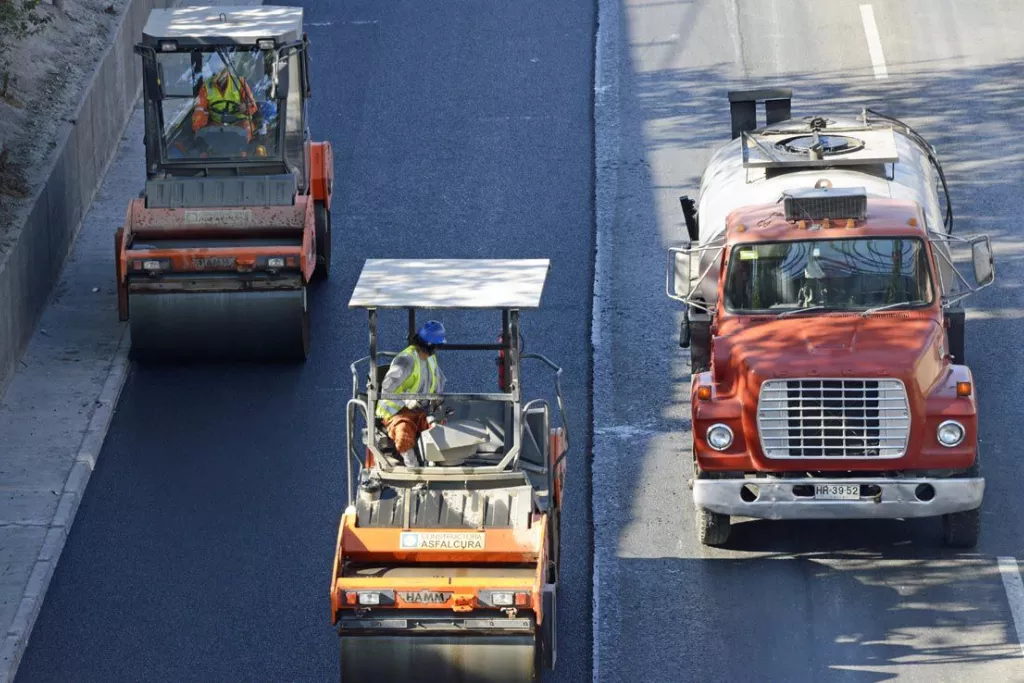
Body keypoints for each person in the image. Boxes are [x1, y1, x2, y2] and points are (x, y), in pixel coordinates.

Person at [376, 321, 447, 468]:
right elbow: (387, 386)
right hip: (397, 412)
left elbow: (438, 381)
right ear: (431, 345)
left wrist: (438, 404)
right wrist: (407, 400)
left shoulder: (430, 359)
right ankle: (414, 472)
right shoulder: (406, 360)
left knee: (438, 429)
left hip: (420, 410)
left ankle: (434, 470)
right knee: (403, 435)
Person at [191, 67, 260, 142]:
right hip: (217, 123)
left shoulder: (239, 82)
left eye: (219, 71)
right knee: (207, 137)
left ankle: (243, 151)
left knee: (247, 130)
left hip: (239, 122)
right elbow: (200, 109)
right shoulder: (206, 87)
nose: (216, 75)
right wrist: (199, 130)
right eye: (214, 71)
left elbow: (252, 105)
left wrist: (245, 107)